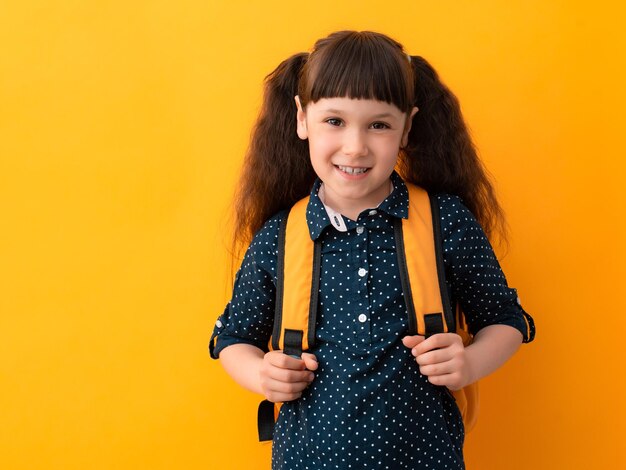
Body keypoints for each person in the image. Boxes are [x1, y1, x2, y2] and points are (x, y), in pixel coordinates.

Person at [209, 30, 535, 470]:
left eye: (378, 125)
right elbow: (232, 339)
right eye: (335, 121)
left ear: (407, 127)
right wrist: (261, 374)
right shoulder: (278, 237)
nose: (356, 146)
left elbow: (507, 321)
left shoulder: (446, 222)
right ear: (302, 119)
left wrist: (470, 362)